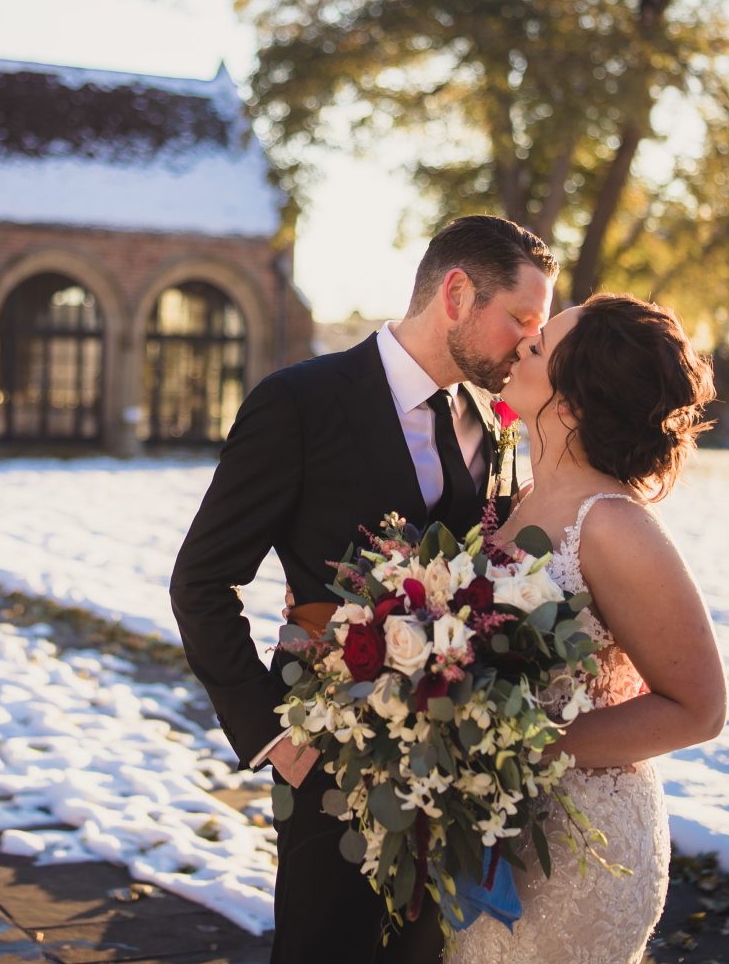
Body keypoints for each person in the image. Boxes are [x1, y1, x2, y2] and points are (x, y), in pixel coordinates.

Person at [169, 215, 558, 964]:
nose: (527, 342)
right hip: (329, 756)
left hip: (463, 759)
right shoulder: (300, 402)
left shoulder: (500, 425)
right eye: (519, 319)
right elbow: (201, 579)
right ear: (455, 294)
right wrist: (270, 734)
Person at [452, 293, 728, 964]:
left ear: (571, 403)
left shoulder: (613, 526)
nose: (522, 346)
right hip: (493, 835)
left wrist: (527, 747)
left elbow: (700, 709)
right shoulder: (512, 498)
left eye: (540, 347)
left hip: (581, 852)